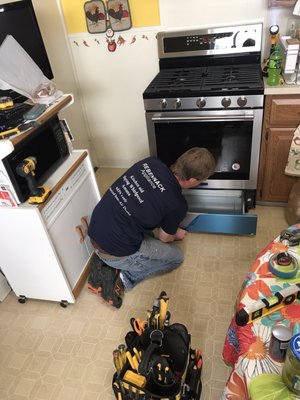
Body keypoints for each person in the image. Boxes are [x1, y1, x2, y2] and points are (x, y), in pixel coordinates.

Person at [87, 147, 215, 308]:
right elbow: (164, 238)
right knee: (176, 257)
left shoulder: (150, 162)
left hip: (96, 230)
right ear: (193, 180)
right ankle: (122, 279)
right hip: (115, 251)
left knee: (146, 227)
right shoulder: (177, 204)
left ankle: (105, 263)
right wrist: (176, 234)